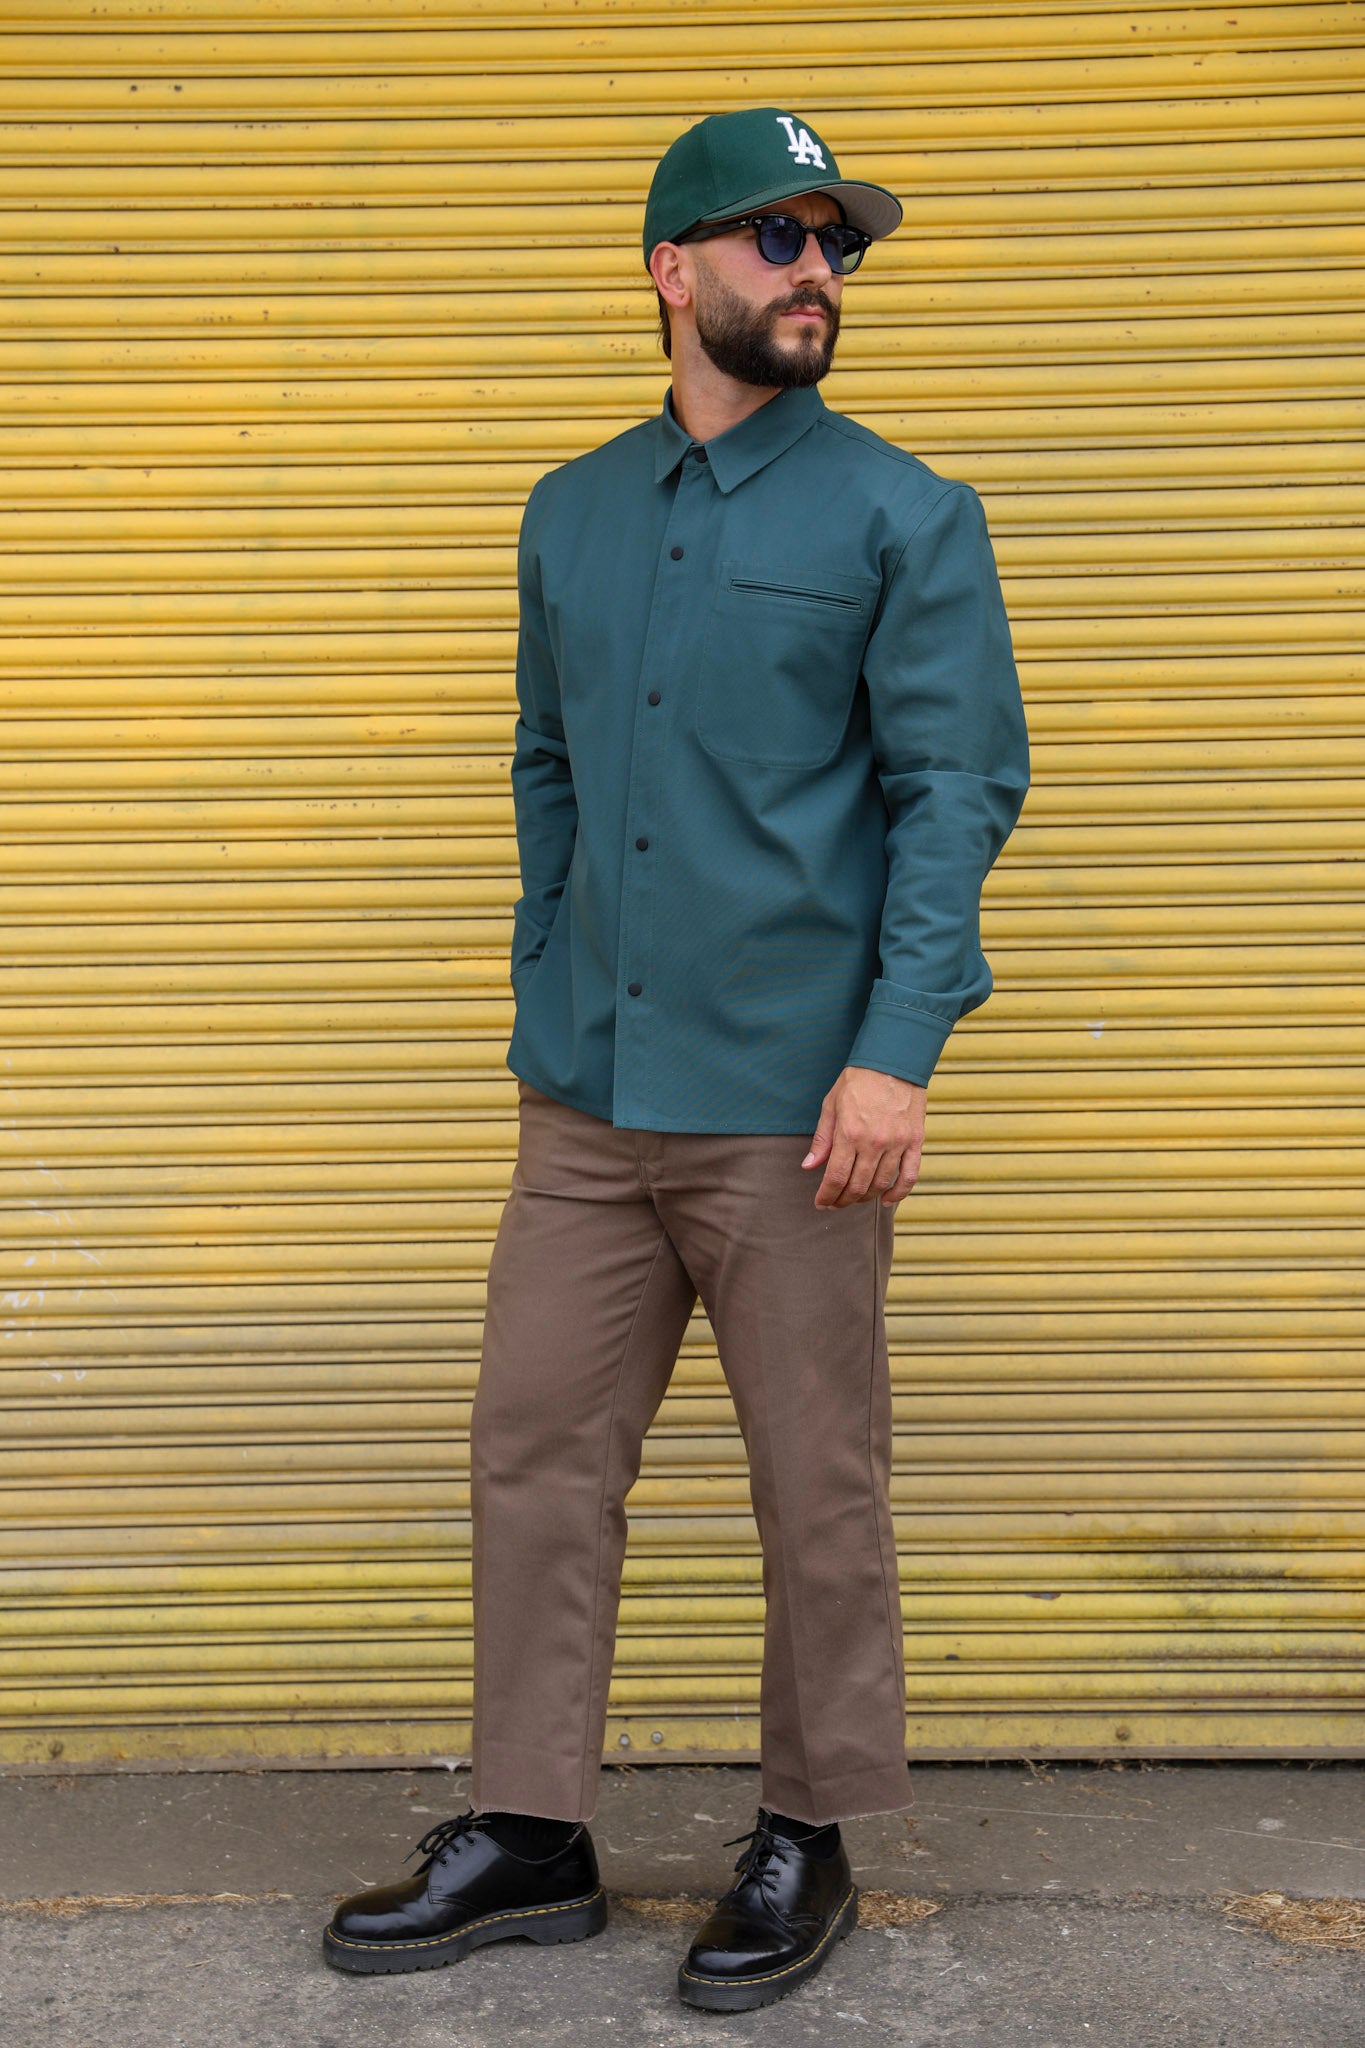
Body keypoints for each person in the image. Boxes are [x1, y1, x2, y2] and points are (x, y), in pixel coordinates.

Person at [323, 104, 1030, 2014]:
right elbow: (547, 764)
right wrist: (551, 962)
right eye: (774, 241)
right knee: (537, 1456)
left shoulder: (901, 512)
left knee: (816, 1481)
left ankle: (805, 1836)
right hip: (585, 1101)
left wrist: (894, 1055)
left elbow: (956, 790)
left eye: (834, 249)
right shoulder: (570, 509)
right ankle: (534, 1835)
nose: (814, 275)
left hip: (798, 1112)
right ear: (670, 270)